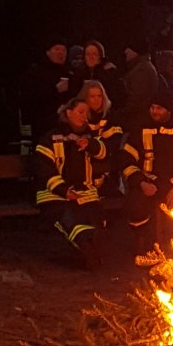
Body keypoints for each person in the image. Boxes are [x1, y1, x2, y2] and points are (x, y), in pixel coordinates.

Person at [119, 98, 173, 268]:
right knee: (135, 205)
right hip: (147, 183)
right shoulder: (139, 129)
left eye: (159, 108)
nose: (154, 112)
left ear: (169, 110)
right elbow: (125, 161)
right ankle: (145, 248)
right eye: (152, 107)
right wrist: (141, 183)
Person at [33, 98, 110, 268]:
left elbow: (104, 152)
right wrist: (63, 190)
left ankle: (93, 253)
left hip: (85, 194)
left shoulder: (89, 136)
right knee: (69, 220)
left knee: (95, 218)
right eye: (80, 112)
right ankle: (88, 253)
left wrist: (90, 144)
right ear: (68, 113)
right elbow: (44, 169)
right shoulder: (49, 138)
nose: (84, 117)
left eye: (87, 114)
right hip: (54, 196)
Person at [19, 39, 71, 141]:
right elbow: (29, 98)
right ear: (48, 52)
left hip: (65, 123)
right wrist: (55, 90)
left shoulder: (69, 73)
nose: (61, 53)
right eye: (57, 49)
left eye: (64, 50)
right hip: (42, 124)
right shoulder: (35, 73)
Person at [119, 36, 160, 136]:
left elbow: (137, 97)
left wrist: (124, 112)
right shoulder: (141, 67)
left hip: (137, 120)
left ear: (136, 51)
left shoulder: (141, 70)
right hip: (139, 118)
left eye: (129, 48)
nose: (126, 52)